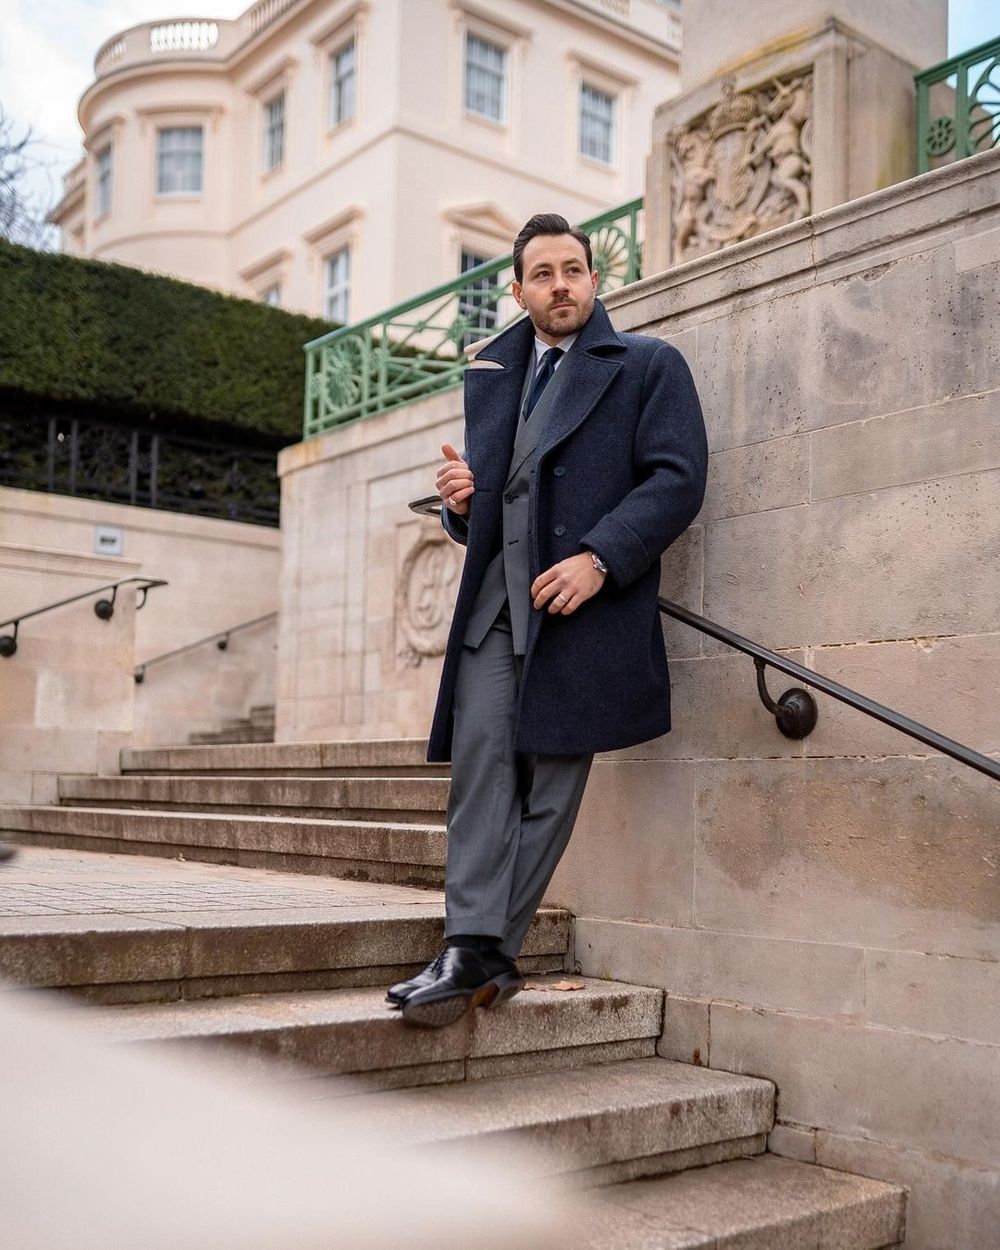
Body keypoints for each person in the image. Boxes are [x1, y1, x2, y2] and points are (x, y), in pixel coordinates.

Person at [390, 213, 708, 1028]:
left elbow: (677, 479)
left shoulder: (647, 365)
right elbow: (490, 507)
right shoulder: (494, 374)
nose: (560, 284)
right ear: (520, 288)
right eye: (543, 273)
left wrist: (601, 557)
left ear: (594, 279)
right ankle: (475, 945)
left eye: (574, 269)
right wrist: (464, 507)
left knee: (554, 784)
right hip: (497, 603)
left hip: (582, 605)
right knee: (481, 771)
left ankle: (479, 951)